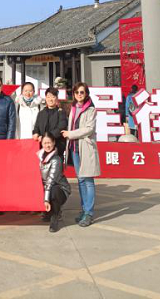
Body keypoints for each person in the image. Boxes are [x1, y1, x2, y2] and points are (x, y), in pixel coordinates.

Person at [61, 82, 100, 228]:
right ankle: (84, 210)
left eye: (82, 92)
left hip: (86, 148)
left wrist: (70, 134)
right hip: (74, 148)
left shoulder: (91, 109)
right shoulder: (73, 107)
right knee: (81, 180)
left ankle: (89, 213)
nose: (79, 95)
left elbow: (89, 129)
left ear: (86, 94)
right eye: (77, 92)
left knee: (88, 180)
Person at [38, 132, 71, 233]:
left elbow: (50, 181)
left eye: (49, 143)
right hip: (46, 187)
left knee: (54, 190)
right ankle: (48, 211)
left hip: (60, 189)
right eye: (45, 143)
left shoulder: (57, 160)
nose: (47, 145)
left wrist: (46, 200)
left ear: (54, 143)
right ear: (42, 144)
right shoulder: (38, 157)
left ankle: (55, 216)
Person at [32, 87, 68, 158]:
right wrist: (35, 133)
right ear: (45, 98)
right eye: (48, 97)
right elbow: (36, 127)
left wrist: (45, 138)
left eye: (53, 97)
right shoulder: (41, 113)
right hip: (43, 148)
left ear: (57, 98)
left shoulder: (61, 112)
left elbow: (61, 128)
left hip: (57, 147)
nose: (50, 99)